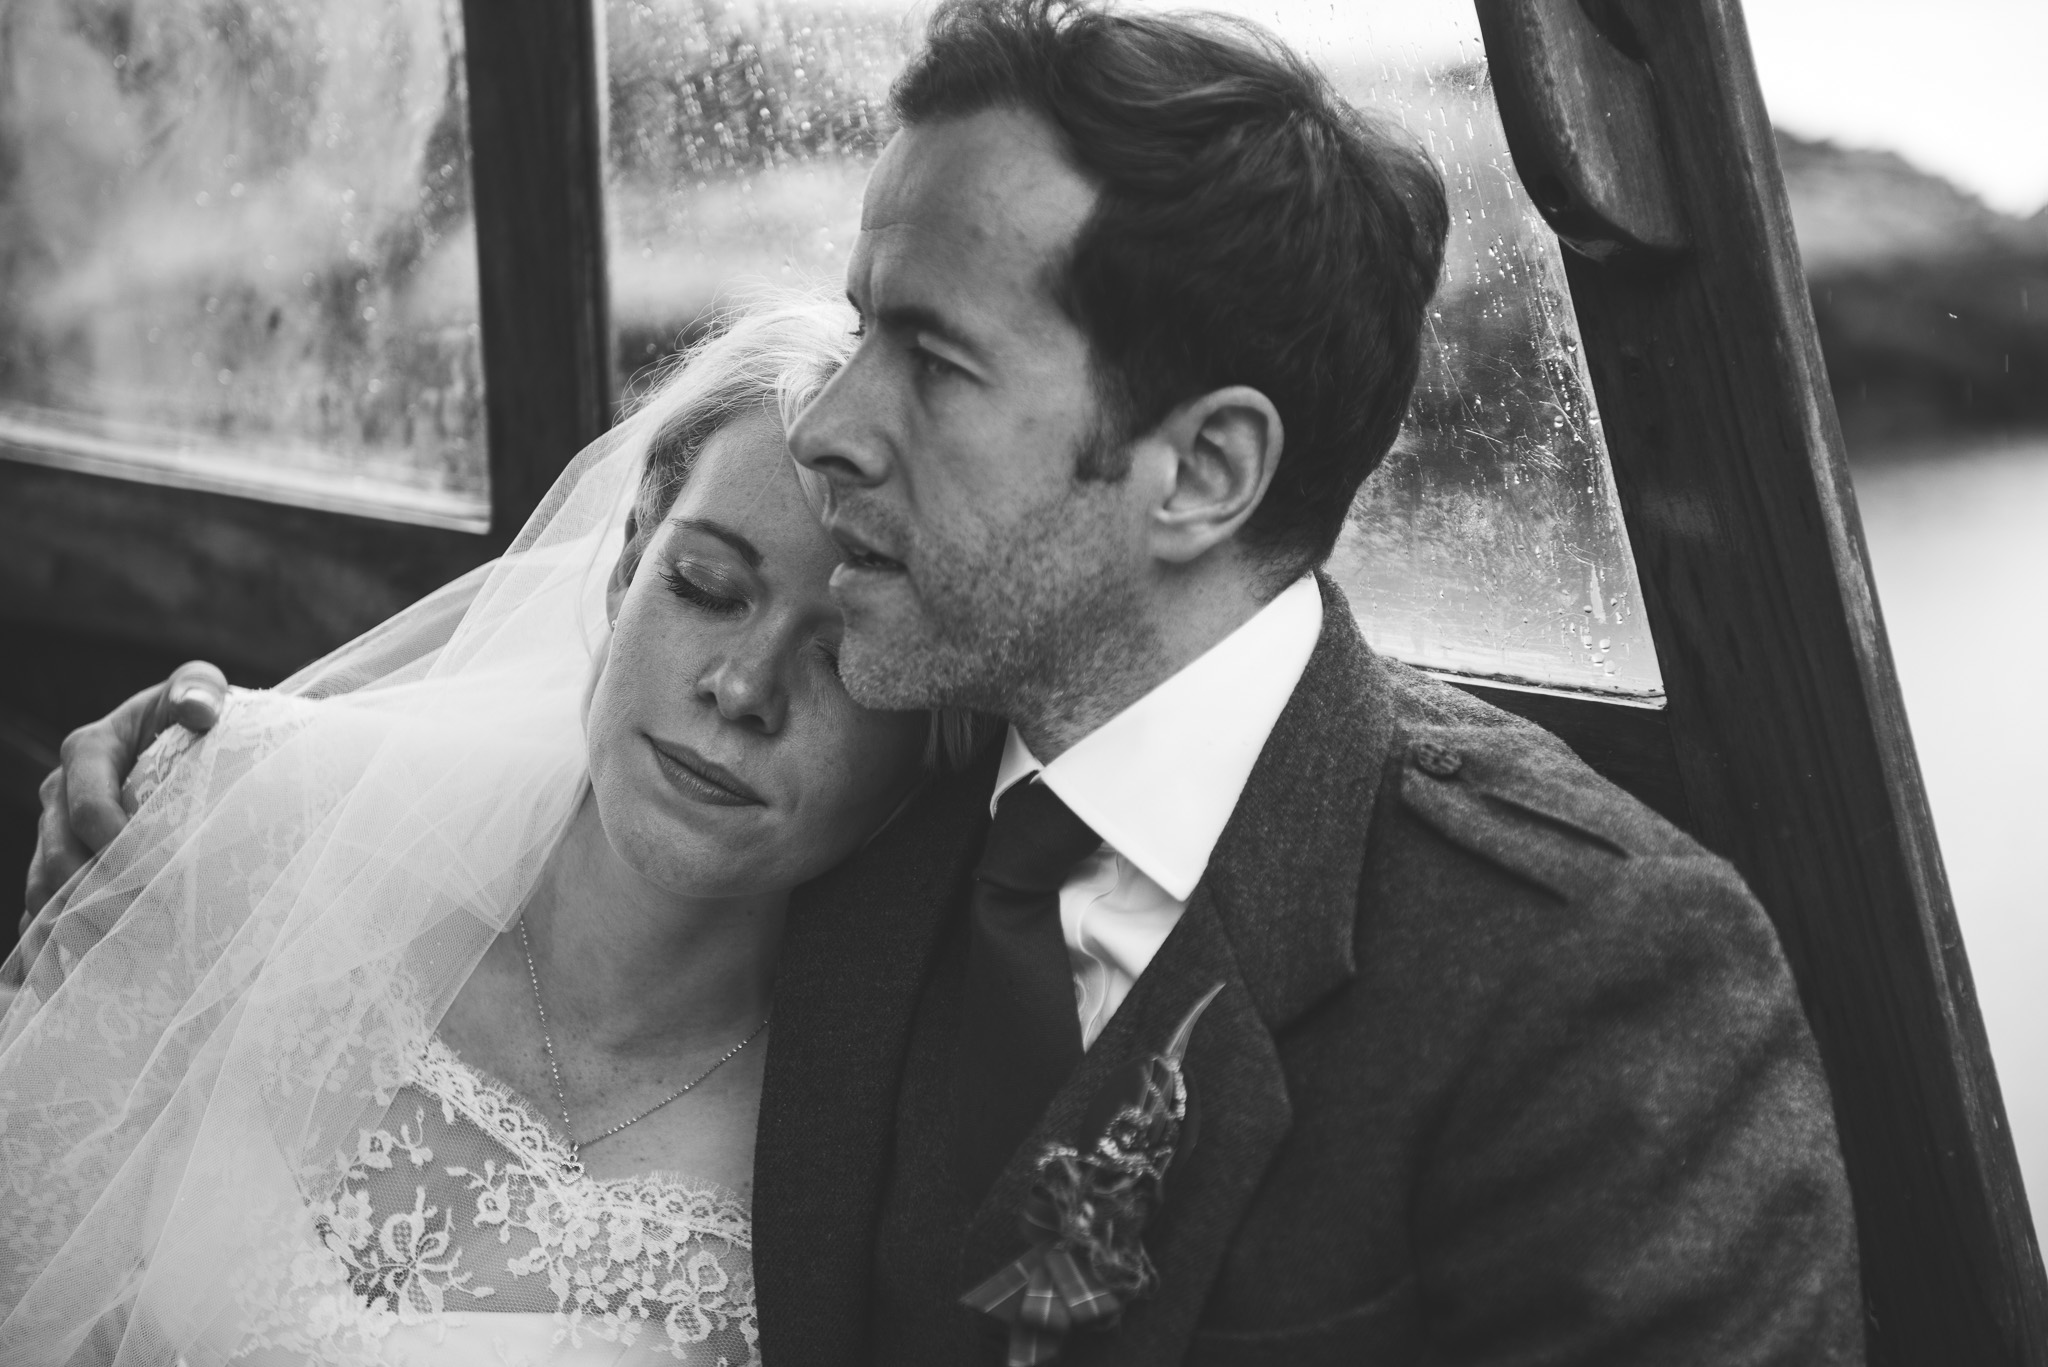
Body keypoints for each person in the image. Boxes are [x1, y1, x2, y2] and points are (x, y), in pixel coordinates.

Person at [22, 1, 1865, 1364]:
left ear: (1201, 474)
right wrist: (227, 789)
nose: (827, 424)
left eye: (927, 356)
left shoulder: (1591, 978)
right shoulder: (854, 833)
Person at [1, 299, 967, 1363]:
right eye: (704, 586)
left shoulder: (877, 1154)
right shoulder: (240, 817)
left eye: (836, 656)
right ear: (627, 558)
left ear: (931, 717)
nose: (741, 687)